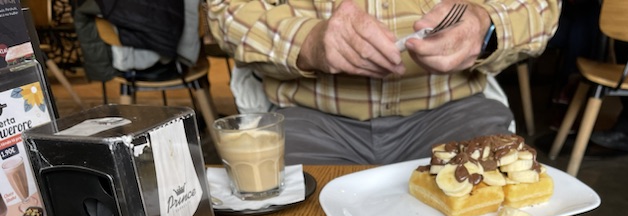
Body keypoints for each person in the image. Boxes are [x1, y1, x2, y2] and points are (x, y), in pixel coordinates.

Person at [206, 0, 560, 165]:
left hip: (454, 114)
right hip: (311, 123)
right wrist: (307, 41)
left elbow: (540, 6)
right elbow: (226, 12)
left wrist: (487, 24)